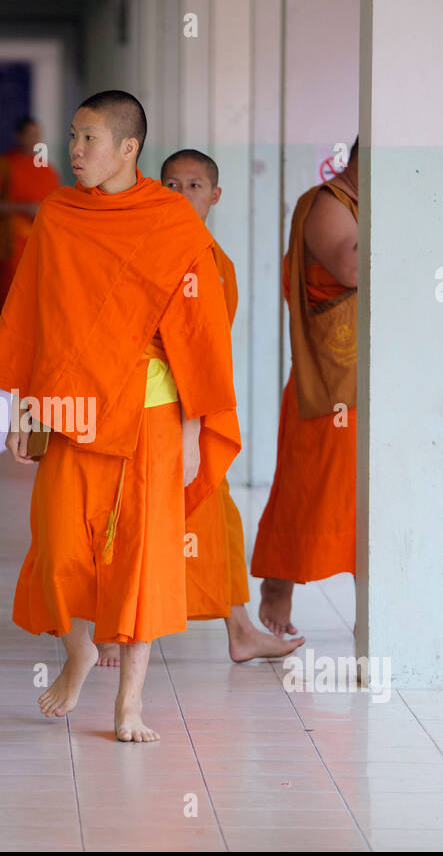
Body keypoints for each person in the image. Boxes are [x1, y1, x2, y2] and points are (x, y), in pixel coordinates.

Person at [0, 91, 240, 742]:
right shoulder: (58, 214)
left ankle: (130, 705)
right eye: (72, 136)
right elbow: (32, 314)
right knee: (57, 546)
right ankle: (78, 650)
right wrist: (22, 406)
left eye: (89, 138)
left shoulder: (172, 221)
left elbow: (201, 326)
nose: (74, 150)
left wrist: (196, 419)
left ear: (128, 148)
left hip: (148, 413)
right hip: (69, 409)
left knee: (143, 562)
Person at [91, 148, 302, 664]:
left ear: (215, 196)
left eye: (194, 186)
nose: (181, 195)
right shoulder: (142, 246)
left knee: (216, 519)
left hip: (193, 409)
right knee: (130, 515)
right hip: (145, 407)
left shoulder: (214, 258)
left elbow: (207, 347)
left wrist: (197, 422)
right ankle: (113, 628)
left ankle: (239, 630)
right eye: (169, 185)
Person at [250, 138, 359, 635]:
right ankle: (279, 581)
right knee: (311, 485)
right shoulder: (328, 204)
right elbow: (354, 267)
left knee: (369, 496)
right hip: (332, 379)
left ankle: (378, 609)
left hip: (383, 375)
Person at [0, 117, 60, 325]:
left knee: (40, 293)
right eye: (30, 134)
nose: (35, 139)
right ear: (18, 136)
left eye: (38, 135)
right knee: (11, 291)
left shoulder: (47, 169)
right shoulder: (3, 165)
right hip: (12, 240)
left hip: (42, 240)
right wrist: (25, 208)